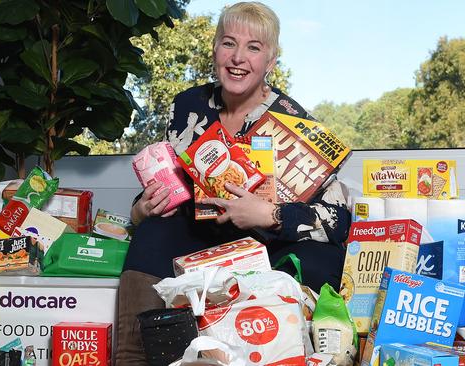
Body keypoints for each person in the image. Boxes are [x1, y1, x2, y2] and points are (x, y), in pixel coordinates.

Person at [116, 2, 352, 364]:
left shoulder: (295, 123)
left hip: (267, 245)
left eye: (253, 48)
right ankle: (134, 358)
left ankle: (274, 351)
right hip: (204, 237)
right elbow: (176, 181)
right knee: (151, 232)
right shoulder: (188, 106)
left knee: (321, 257)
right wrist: (141, 207)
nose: (238, 58)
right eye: (229, 43)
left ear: (270, 62)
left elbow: (337, 219)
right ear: (215, 50)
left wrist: (269, 215)